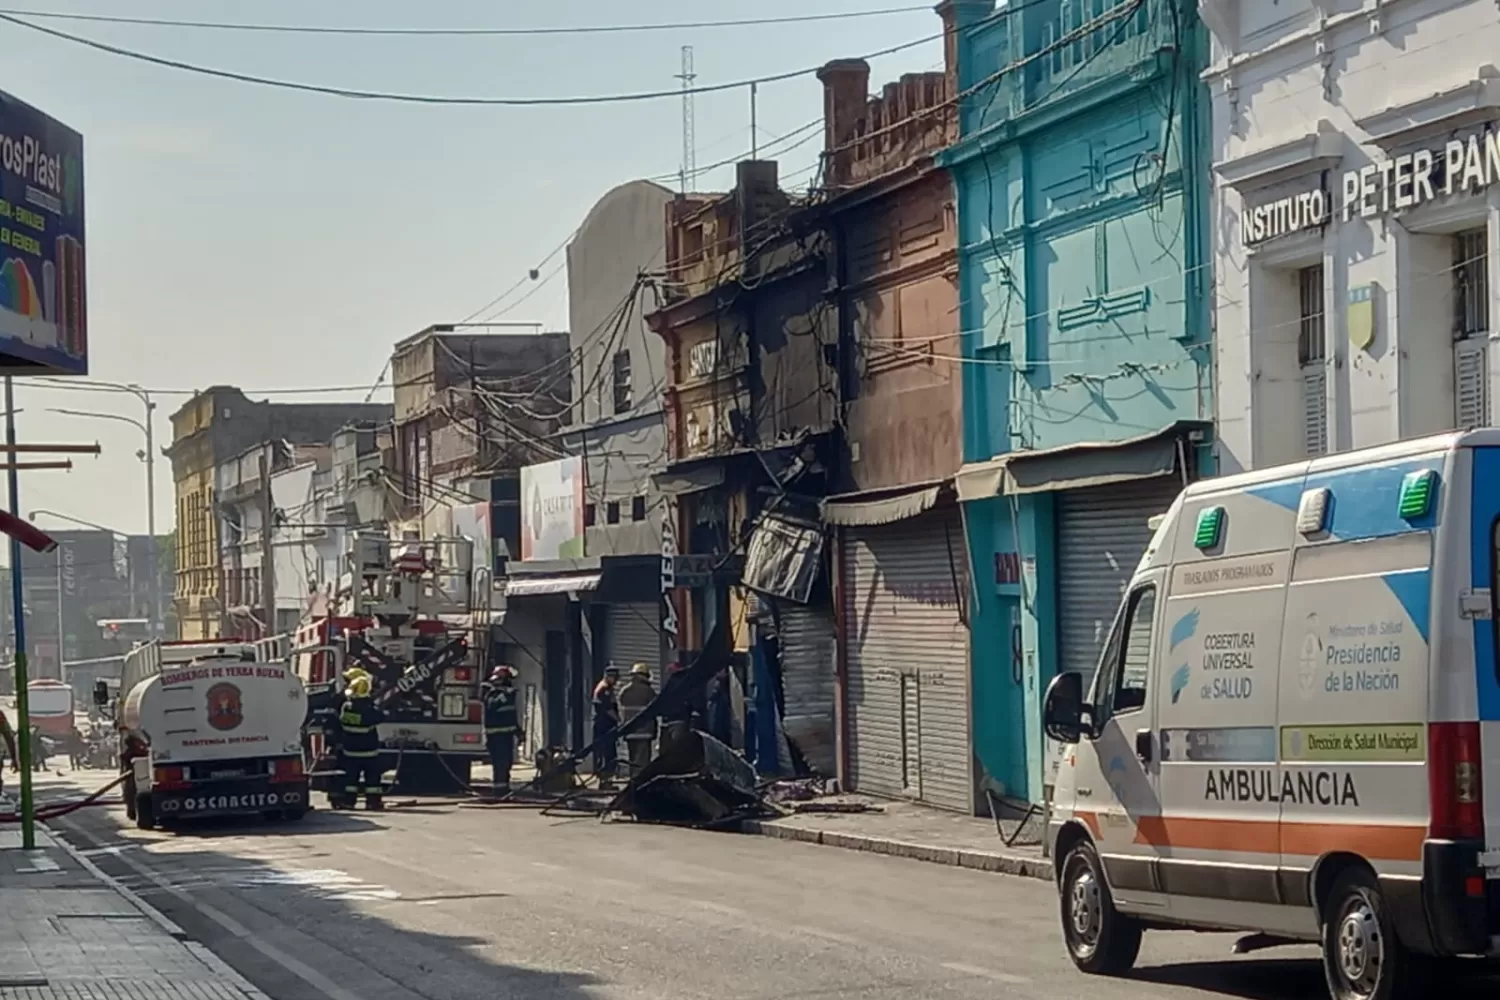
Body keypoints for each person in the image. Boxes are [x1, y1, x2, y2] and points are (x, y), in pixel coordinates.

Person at [335, 675, 385, 810]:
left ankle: (349, 802)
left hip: (350, 751)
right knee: (373, 781)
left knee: (351, 780)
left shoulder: (346, 707)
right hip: (369, 752)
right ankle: (373, 803)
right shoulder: (370, 710)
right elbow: (380, 717)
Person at [481, 665, 522, 797]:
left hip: (506, 736)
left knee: (506, 763)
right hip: (497, 737)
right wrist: (505, 696)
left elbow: (510, 716)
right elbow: (495, 708)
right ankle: (499, 791)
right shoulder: (493, 695)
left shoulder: (505, 694)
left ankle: (504, 789)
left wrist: (518, 731)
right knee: (500, 764)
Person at [617, 662, 657, 778]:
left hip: (629, 731)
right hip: (644, 732)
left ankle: (633, 780)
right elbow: (655, 708)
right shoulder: (648, 691)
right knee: (642, 761)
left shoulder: (624, 691)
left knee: (632, 759)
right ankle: (640, 782)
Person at [590, 665, 621, 788]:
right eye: (615, 678)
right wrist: (619, 720)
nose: (617, 681)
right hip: (605, 725)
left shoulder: (604, 687)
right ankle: (605, 780)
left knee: (605, 752)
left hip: (603, 724)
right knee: (607, 753)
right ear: (609, 676)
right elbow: (608, 709)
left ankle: (606, 779)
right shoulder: (604, 689)